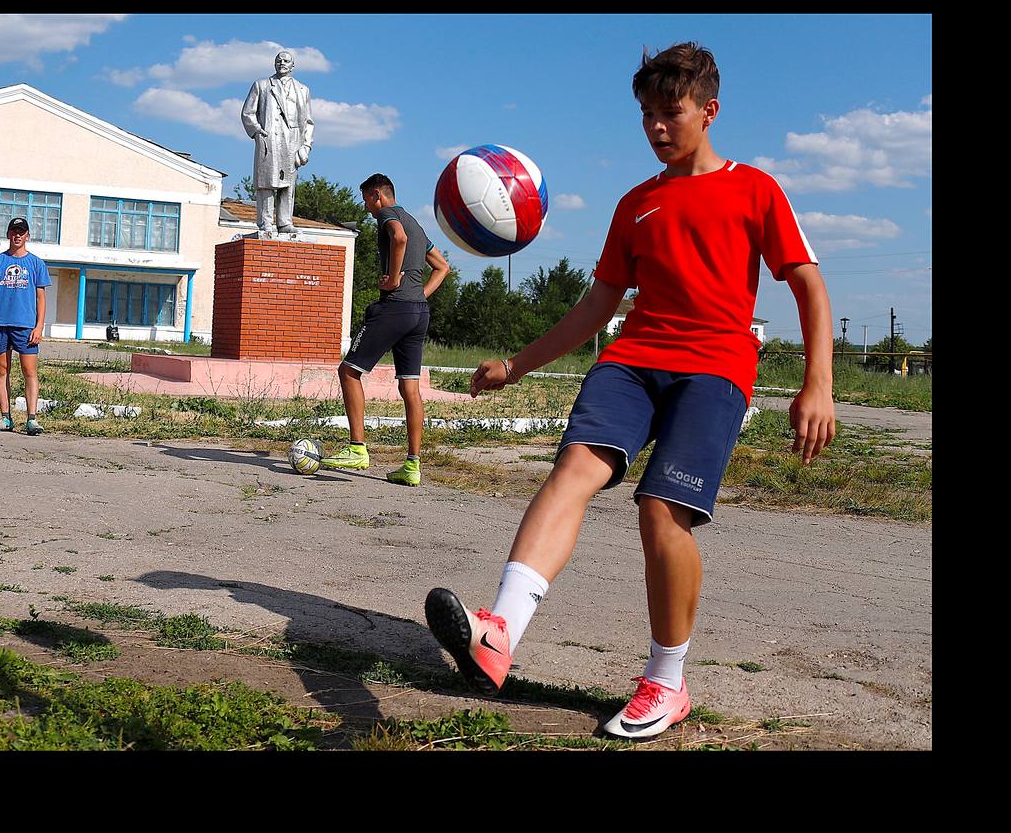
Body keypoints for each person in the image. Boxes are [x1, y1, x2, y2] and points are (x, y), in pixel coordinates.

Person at [424, 42, 836, 739]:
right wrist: (514, 365)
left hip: (714, 369)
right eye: (645, 115)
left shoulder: (754, 189)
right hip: (632, 360)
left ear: (706, 112)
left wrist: (816, 385)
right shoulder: (635, 204)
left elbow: (806, 283)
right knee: (573, 471)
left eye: (668, 113)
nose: (654, 127)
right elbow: (594, 309)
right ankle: (498, 631)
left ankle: (665, 683)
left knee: (660, 512)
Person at [321, 174, 450, 486]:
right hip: (419, 313)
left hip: (394, 308)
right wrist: (418, 296)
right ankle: (412, 465)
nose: (366, 207)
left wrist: (393, 281)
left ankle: (357, 449)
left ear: (377, 194)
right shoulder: (416, 223)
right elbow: (442, 267)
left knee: (349, 372)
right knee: (410, 388)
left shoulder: (388, 215)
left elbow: (399, 238)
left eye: (366, 200)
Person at [0, 217, 52, 435]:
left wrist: (39, 327)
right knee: (2, 370)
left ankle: (31, 419)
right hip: (0, 325)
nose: (17, 235)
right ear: (9, 234)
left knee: (29, 371)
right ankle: (5, 418)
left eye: (21, 232)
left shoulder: (37, 264)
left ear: (27, 236)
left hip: (26, 327)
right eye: (14, 231)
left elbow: (41, 298)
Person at [241, 50, 314, 237]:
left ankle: (285, 222)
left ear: (293, 65)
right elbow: (248, 112)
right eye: (279, 60)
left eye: (286, 60)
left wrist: (306, 145)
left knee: (288, 183)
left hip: (292, 141)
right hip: (270, 138)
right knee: (267, 182)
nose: (282, 63)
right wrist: (257, 131)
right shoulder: (262, 85)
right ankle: (265, 222)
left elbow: (307, 121)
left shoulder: (303, 90)